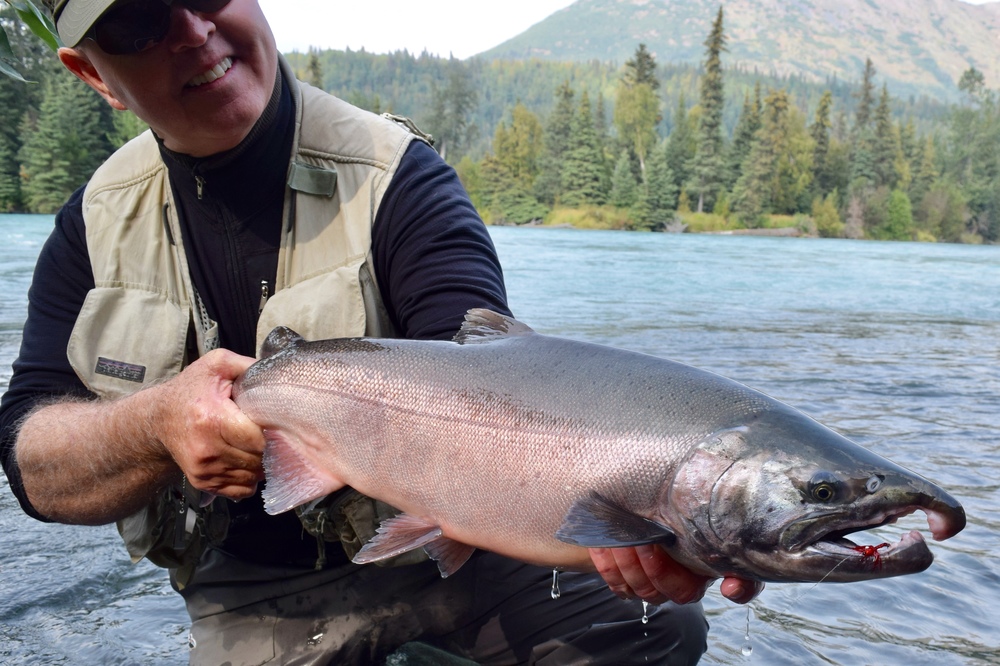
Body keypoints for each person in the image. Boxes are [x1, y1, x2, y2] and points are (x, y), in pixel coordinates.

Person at [0, 1, 761, 663]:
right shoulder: (93, 226)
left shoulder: (399, 179)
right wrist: (154, 423)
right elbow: (34, 466)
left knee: (659, 625)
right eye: (138, 21)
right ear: (93, 74)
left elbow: (489, 379)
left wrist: (641, 509)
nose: (195, 32)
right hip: (259, 591)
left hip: (462, 559)